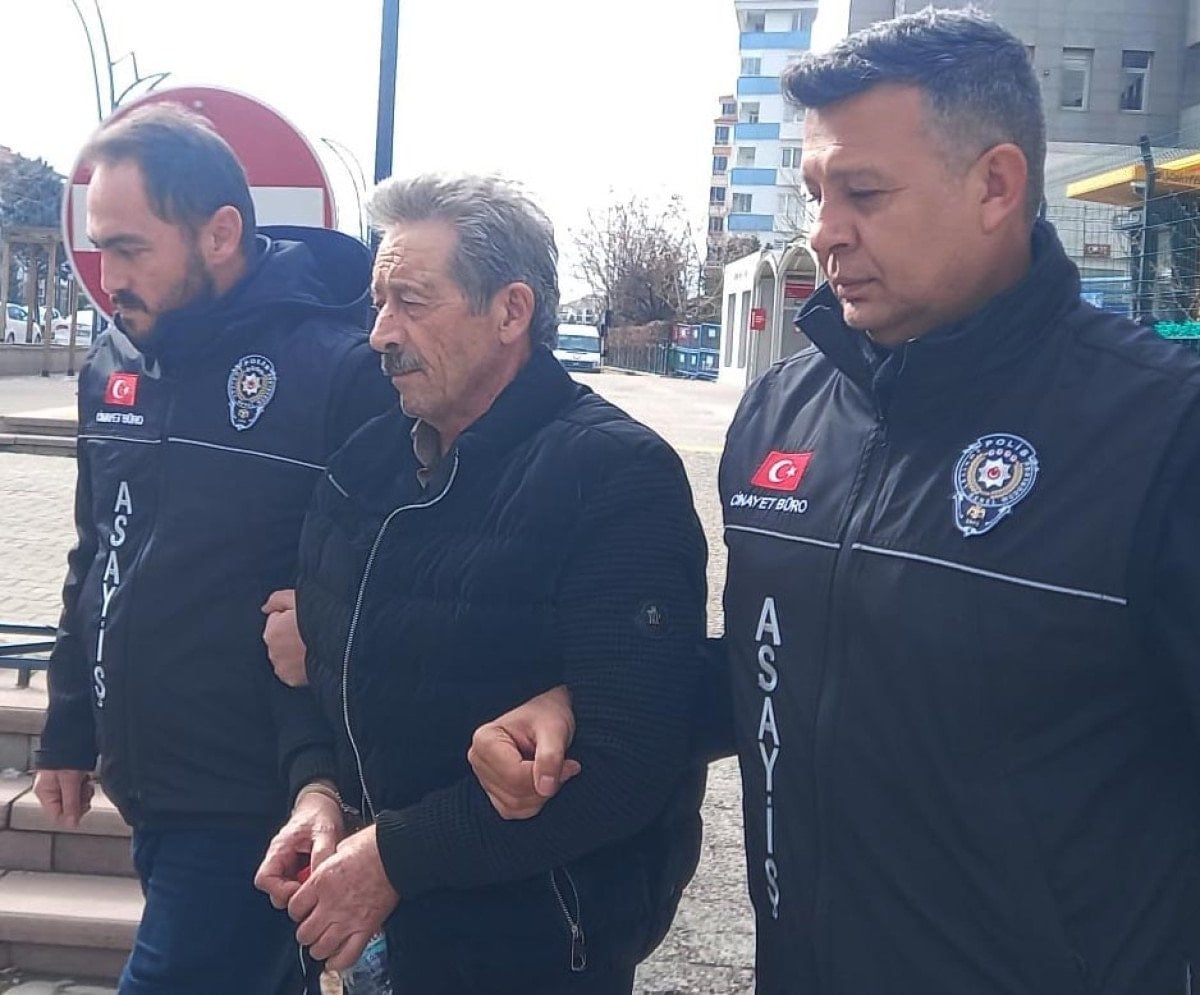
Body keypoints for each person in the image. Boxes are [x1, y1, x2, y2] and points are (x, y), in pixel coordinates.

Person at [467, 9, 1200, 994]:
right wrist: (588, 706)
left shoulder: (1162, 433)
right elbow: (791, 663)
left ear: (995, 185)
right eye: (815, 192)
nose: (823, 231)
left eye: (863, 191)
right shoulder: (784, 409)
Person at [254, 174, 709, 995]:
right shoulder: (364, 465)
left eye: (412, 302)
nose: (380, 334)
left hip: (529, 950)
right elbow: (303, 663)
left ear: (510, 311)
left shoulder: (613, 475)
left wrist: (397, 856)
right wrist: (315, 790)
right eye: (378, 303)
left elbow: (632, 757)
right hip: (369, 937)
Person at [32, 103, 395, 994]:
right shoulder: (113, 360)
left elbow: (395, 564)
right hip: (146, 775)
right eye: (100, 249)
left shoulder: (338, 368)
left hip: (257, 790)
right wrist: (68, 726)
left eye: (130, 249)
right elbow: (95, 552)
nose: (109, 276)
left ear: (221, 233)